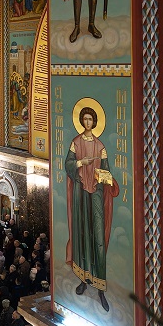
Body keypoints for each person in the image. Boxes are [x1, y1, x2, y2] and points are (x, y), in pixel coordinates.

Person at [64, 106, 118, 312]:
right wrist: (80, 162)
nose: (87, 122)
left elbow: (106, 170)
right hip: (80, 193)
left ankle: (101, 288)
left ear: (94, 122)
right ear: (81, 121)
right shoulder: (76, 143)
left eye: (90, 119)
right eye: (85, 119)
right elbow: (68, 164)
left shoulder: (100, 146)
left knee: (97, 236)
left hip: (95, 193)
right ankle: (83, 279)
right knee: (82, 234)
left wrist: (103, 176)